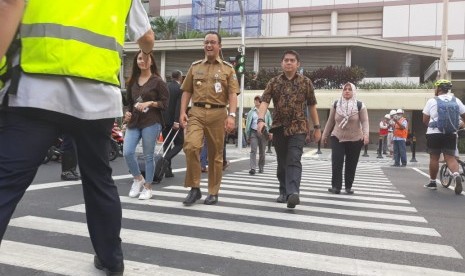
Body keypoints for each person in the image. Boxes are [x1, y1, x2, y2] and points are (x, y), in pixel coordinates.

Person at [0, 2, 154, 275]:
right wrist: (143, 51)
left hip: (37, 91)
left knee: (7, 181)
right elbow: (147, 38)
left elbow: (8, 5)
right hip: (97, 98)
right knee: (99, 180)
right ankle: (111, 259)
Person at [179, 31, 239, 206]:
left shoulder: (228, 69)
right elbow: (187, 91)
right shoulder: (195, 66)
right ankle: (194, 188)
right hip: (196, 112)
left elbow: (232, 94)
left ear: (219, 46)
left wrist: (232, 116)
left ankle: (213, 192)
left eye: (213, 42)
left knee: (215, 155)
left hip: (218, 114)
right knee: (191, 146)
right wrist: (182, 111)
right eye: (206, 42)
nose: (209, 45)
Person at [256, 50, 321, 209]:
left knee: (293, 158)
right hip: (278, 127)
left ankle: (293, 193)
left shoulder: (306, 82)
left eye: (292, 60)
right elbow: (264, 102)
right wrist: (260, 119)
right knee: (282, 162)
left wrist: (317, 127)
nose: (289, 63)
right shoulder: (274, 82)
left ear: (298, 64)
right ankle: (283, 191)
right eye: (286, 60)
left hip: (298, 128)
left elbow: (312, 105)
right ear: (282, 63)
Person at [124, 50, 169, 200]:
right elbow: (129, 103)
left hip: (151, 121)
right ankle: (138, 179)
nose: (142, 61)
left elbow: (165, 103)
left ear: (151, 61)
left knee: (148, 155)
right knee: (127, 152)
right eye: (139, 59)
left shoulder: (158, 81)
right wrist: (128, 113)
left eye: (145, 59)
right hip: (134, 122)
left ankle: (148, 187)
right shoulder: (132, 81)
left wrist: (150, 102)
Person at [322, 83, 369, 194]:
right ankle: (336, 187)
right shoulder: (336, 104)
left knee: (351, 163)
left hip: (355, 139)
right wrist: (324, 134)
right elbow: (330, 121)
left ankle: (348, 186)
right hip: (337, 137)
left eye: (349, 89)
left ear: (353, 92)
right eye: (345, 89)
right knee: (337, 162)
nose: (347, 91)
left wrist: (366, 134)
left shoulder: (360, 105)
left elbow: (365, 121)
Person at [422, 79, 465, 194]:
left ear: (438, 88)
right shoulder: (456, 101)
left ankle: (432, 182)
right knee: (450, 157)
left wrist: (432, 127)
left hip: (434, 133)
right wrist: (459, 126)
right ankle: (456, 175)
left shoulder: (432, 101)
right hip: (451, 133)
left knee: (434, 158)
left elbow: (425, 120)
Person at [162, 70, 184, 178]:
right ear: (180, 77)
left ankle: (167, 170)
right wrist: (176, 121)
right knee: (180, 143)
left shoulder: (165, 87)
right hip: (174, 121)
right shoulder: (180, 89)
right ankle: (165, 159)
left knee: (167, 143)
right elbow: (178, 106)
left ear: (171, 77)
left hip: (164, 120)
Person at [246, 95, 272, 174]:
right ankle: (253, 168)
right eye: (255, 100)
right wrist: (248, 134)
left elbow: (270, 122)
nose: (256, 102)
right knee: (253, 150)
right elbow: (248, 123)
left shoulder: (266, 111)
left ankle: (261, 167)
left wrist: (270, 132)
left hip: (263, 133)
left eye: (257, 100)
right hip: (254, 132)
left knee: (262, 152)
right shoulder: (251, 112)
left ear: (260, 102)